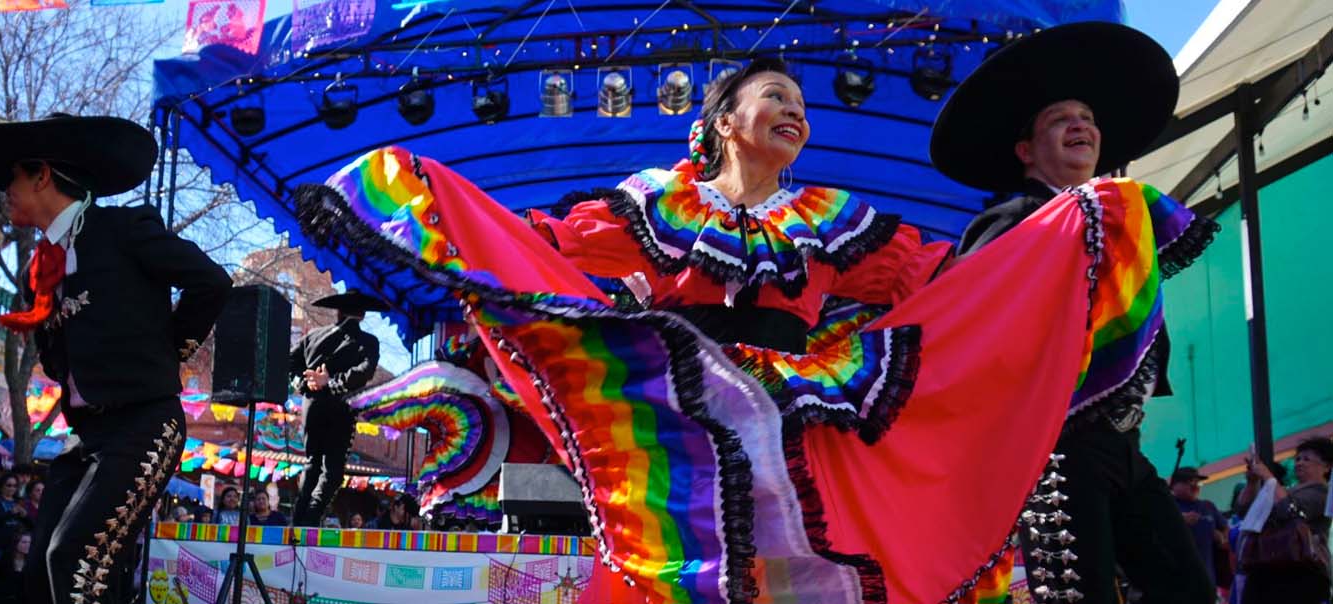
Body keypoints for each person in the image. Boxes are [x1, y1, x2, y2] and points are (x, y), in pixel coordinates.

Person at [289, 50, 1212, 601]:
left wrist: (1070, 240)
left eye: (799, 104)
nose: (794, 110)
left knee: (810, 567)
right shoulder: (649, 210)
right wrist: (430, 207)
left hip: (795, 410)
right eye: (774, 96)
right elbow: (553, 250)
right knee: (677, 570)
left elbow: (949, 277)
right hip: (685, 411)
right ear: (725, 120)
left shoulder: (837, 217)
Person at [929, 22, 1219, 604]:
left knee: (1190, 590)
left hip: (1127, 451)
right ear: (1026, 151)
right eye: (1061, 119)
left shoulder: (1123, 223)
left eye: (1087, 116)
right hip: (1054, 449)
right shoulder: (1010, 222)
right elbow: (973, 319)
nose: (1081, 125)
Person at [0, 113, 231, 604]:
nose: (5, 189)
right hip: (92, 438)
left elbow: (211, 282)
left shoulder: (121, 228)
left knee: (73, 562)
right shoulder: (41, 268)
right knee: (42, 576)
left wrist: (166, 353)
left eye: (14, 176)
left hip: (145, 426)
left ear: (42, 176)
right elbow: (60, 362)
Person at [288, 291, 384, 527]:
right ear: (362, 315)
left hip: (311, 405)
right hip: (340, 407)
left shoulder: (313, 336)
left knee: (312, 462)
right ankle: (310, 518)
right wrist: (330, 384)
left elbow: (289, 361)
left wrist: (304, 383)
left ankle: (299, 520)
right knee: (332, 470)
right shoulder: (368, 342)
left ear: (338, 311)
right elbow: (364, 372)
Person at [1236, 437, 1333, 603]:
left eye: (1306, 459)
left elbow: (1289, 511)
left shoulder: (1322, 494)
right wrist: (1252, 482)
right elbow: (1244, 511)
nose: (1299, 463)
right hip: (1266, 566)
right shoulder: (1284, 489)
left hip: (1300, 571)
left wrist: (1268, 477)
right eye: (1297, 459)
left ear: (1326, 467)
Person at [1170, 467, 1230, 587]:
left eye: (1197, 482)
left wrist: (1222, 537)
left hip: (1207, 579)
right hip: (1178, 582)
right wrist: (1178, 520)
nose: (1195, 486)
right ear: (1175, 485)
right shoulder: (1168, 507)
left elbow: (1226, 528)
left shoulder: (1208, 506)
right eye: (1189, 483)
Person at [0, 472, 29, 592]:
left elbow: (30, 523)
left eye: (14, 486)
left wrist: (25, 515)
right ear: (1, 486)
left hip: (15, 548)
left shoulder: (19, 501)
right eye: (9, 485)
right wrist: (9, 513)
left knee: (11, 580)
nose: (12, 488)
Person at [0, 530, 32, 604]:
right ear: (16, 543)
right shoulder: (6, 559)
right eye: (24, 542)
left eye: (30, 542)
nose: (28, 545)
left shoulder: (31, 561)